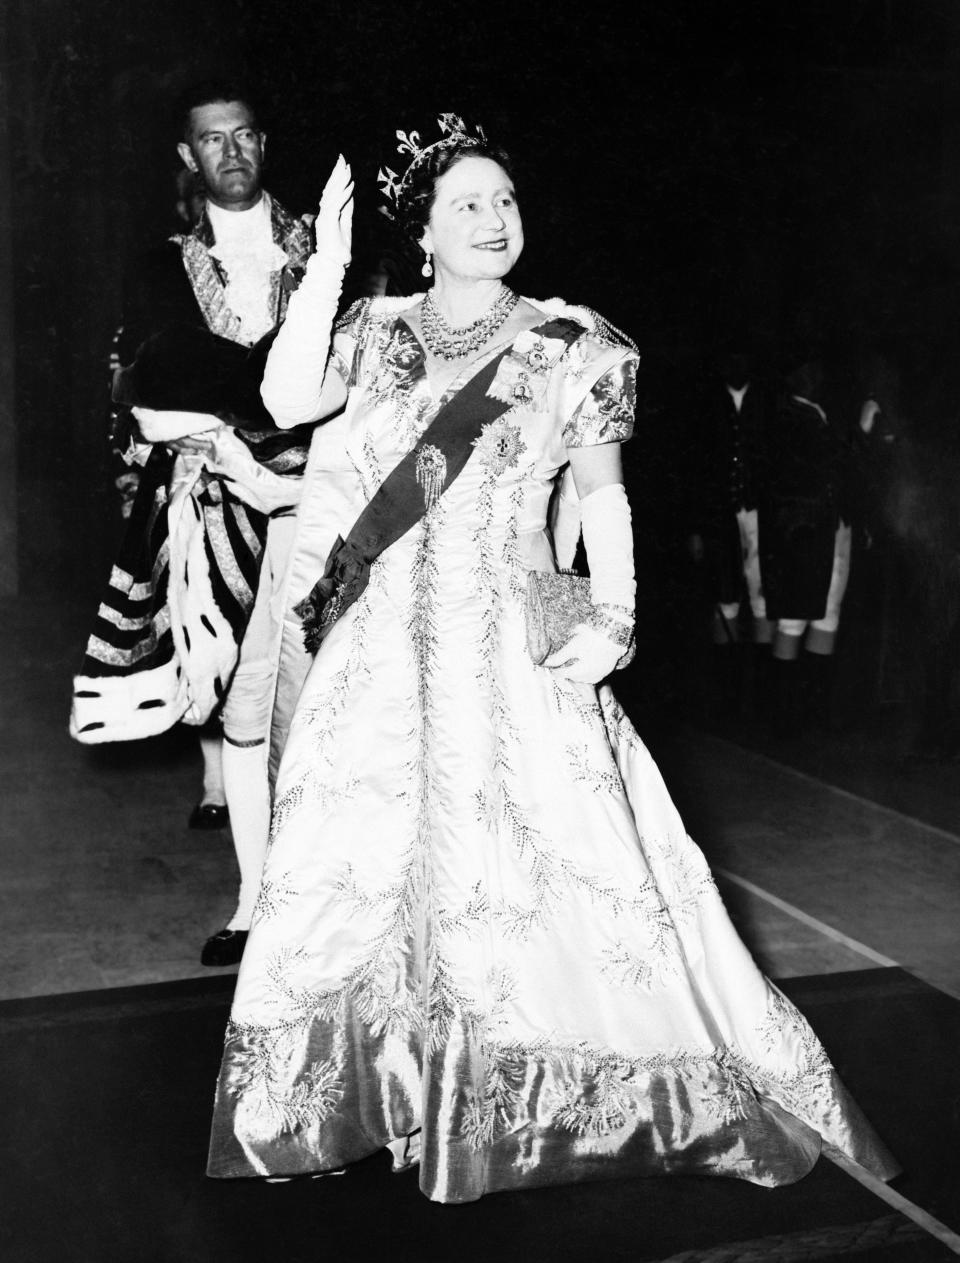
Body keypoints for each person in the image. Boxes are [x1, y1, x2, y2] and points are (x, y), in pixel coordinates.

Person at [206, 117, 897, 1202]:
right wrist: (327, 269)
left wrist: (613, 615)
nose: (494, 222)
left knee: (536, 864)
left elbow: (599, 491)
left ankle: (544, 1092)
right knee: (361, 867)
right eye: (468, 205)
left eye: (507, 203)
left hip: (508, 632)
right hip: (383, 644)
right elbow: (287, 401)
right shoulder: (377, 331)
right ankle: (380, 1081)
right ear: (422, 232)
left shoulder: (575, 343)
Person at [70, 79, 315, 966]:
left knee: (328, 702)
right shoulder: (159, 262)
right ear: (189, 156)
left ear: (265, 143)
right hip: (219, 508)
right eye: (213, 141)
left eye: (246, 135)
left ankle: (328, 895)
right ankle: (256, 901)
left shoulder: (324, 245)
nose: (233, 152)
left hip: (323, 509)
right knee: (243, 707)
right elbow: (151, 386)